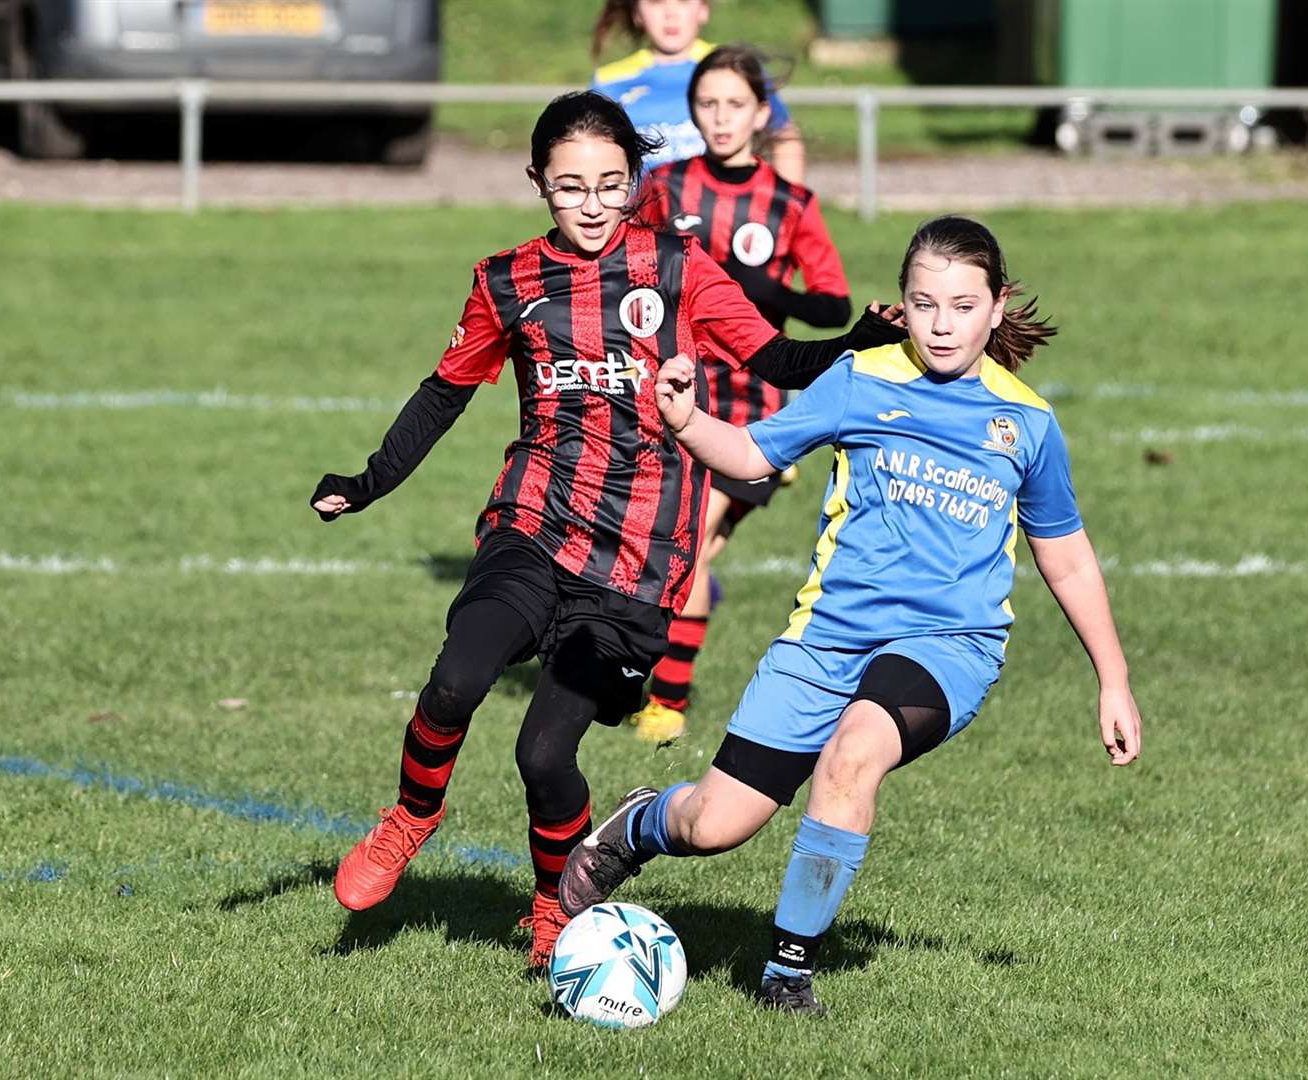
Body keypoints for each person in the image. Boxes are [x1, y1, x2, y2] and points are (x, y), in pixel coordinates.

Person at [308, 90, 903, 971]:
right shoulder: (506, 280)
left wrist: (858, 336)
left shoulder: (678, 266)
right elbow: (445, 394)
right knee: (455, 678)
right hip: (532, 525)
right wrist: (367, 482)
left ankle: (553, 906)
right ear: (539, 183)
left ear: (634, 184)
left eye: (610, 184)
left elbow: (773, 358)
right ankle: (409, 819)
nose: (590, 203)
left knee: (544, 752)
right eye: (570, 185)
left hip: (640, 559)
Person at [559, 215, 1144, 1013]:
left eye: (965, 305)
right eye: (926, 303)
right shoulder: (859, 378)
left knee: (854, 752)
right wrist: (687, 421)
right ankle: (638, 824)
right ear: (900, 304)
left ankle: (786, 975)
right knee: (715, 825)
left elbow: (1066, 555)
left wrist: (1112, 679)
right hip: (828, 639)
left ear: (999, 307)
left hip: (949, 646)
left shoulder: (1027, 424)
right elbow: (755, 455)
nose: (944, 324)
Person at [627, 44, 851, 744]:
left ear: (762, 114)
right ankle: (640, 678)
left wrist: (765, 292)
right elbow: (625, 269)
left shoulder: (789, 203)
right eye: (707, 105)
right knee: (678, 556)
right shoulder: (664, 186)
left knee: (682, 546)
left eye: (734, 106)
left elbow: (831, 306)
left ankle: (665, 705)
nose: (720, 119)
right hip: (674, 392)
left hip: (755, 410)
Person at [590, 0, 806, 182]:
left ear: (703, 9)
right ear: (637, 12)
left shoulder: (733, 67)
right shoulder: (611, 82)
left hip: (721, 221)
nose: (670, 14)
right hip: (642, 224)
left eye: (683, 1)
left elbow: (784, 136)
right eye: (656, 1)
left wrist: (787, 209)